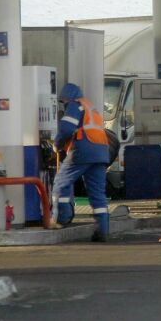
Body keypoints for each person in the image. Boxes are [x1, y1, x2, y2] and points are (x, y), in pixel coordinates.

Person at [50, 82, 110, 242]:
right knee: (97, 193)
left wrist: (57, 144)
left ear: (67, 98)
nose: (64, 105)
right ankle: (103, 230)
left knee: (61, 182)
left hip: (84, 149)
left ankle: (61, 218)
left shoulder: (75, 106)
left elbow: (67, 129)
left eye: (63, 102)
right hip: (101, 152)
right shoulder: (90, 107)